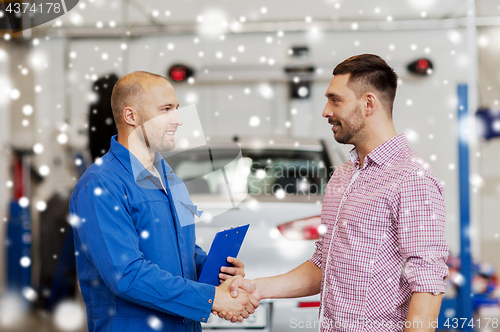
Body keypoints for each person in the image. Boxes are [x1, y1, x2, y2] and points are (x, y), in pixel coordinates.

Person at [219, 54, 449, 332]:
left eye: (335, 100)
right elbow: (324, 265)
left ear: (368, 103)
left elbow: (427, 283)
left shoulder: (412, 178)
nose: (326, 111)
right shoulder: (343, 176)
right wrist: (257, 288)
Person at [69, 71, 258, 332]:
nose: (178, 120)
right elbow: (126, 275)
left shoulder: (170, 178)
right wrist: (212, 298)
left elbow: (183, 251)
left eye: (177, 109)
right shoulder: (101, 185)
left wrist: (217, 273)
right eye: (166, 109)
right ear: (131, 116)